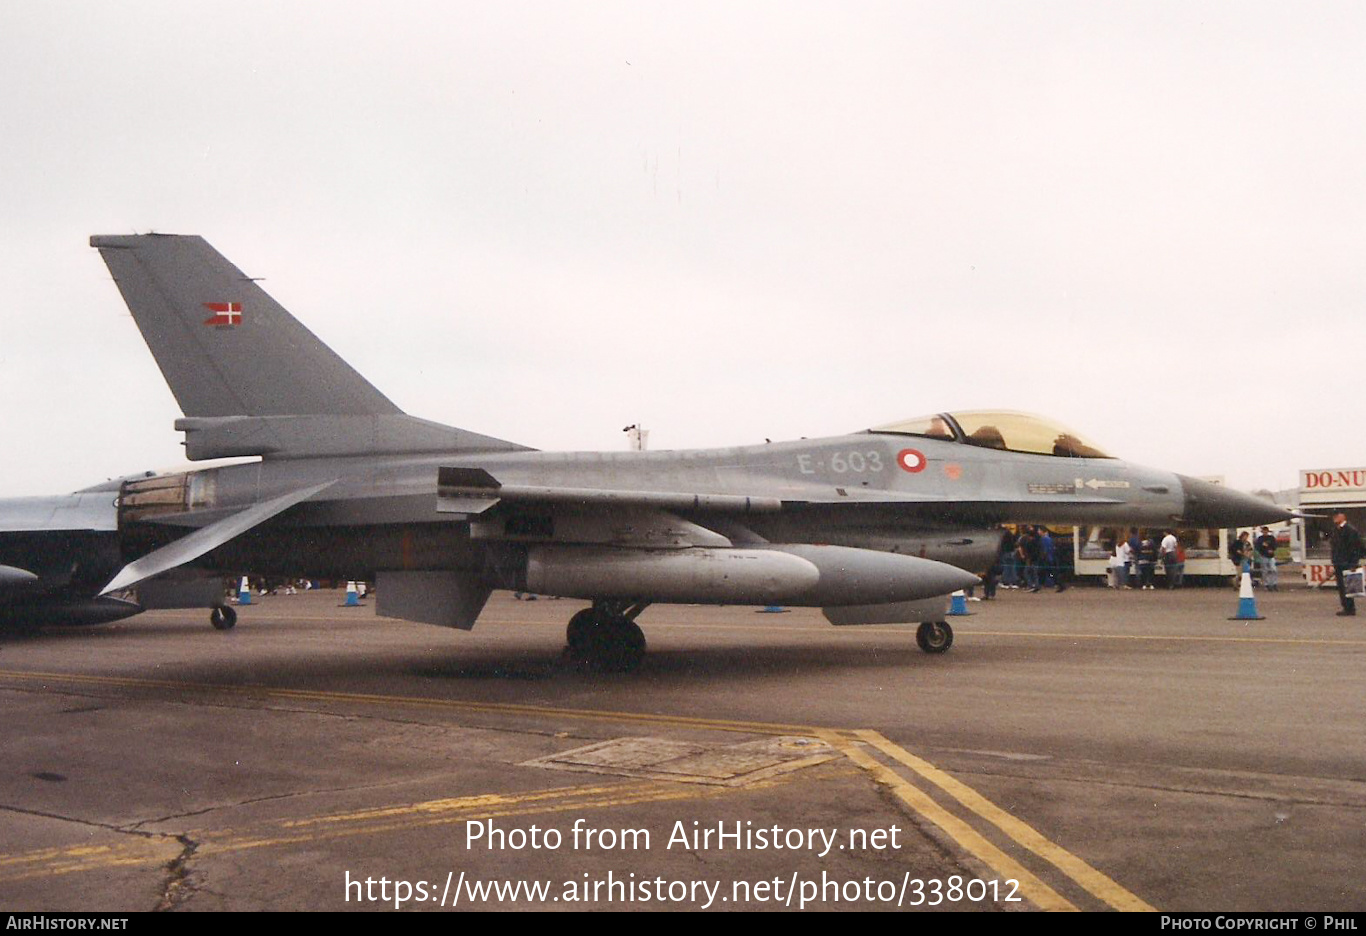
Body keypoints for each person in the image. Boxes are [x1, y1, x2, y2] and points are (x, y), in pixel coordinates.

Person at [1329, 512, 1365, 616]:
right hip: (1338, 563)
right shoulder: (1336, 530)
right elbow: (1334, 548)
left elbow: (1356, 548)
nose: (1334, 518)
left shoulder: (1350, 530)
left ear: (1343, 517)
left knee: (1348, 587)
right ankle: (1346, 607)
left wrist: (1353, 564)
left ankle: (1350, 608)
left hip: (1347, 563)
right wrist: (1333, 563)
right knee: (1341, 587)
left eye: (1337, 516)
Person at [1254, 526, 1279, 592]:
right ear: (1262, 532)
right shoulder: (1260, 539)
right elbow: (1257, 547)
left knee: (1274, 569)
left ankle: (1274, 583)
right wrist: (1262, 550)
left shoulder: (1271, 538)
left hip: (1271, 556)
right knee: (1265, 571)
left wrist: (1272, 550)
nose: (1265, 532)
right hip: (1263, 556)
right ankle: (1267, 584)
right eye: (1264, 531)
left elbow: (1275, 545)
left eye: (1266, 531)